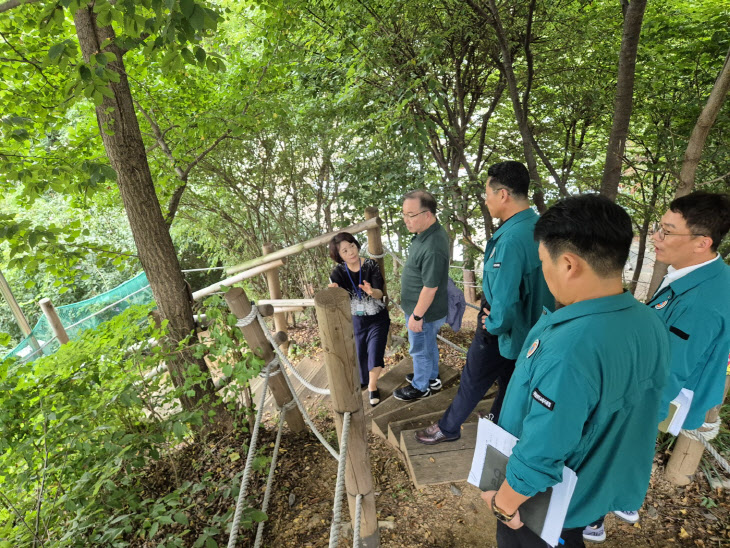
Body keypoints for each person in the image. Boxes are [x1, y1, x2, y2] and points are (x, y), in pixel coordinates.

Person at [483, 195, 670, 548]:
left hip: (545, 503)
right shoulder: (648, 320)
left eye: (543, 263)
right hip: (595, 488)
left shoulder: (571, 346)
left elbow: (545, 445)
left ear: (568, 264)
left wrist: (504, 504)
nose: (544, 272)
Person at [584, 191, 730, 543]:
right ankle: (622, 501)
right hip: (656, 387)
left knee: (615, 447)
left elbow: (670, 369)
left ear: (701, 242)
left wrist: (628, 410)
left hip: (659, 394)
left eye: (667, 231)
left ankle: (593, 515)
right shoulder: (695, 276)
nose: (656, 237)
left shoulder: (702, 301)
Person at [415, 161, 553, 445]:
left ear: (503, 194)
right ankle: (498, 428)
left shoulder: (512, 239)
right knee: (509, 383)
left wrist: (491, 324)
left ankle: (449, 427)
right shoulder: (539, 227)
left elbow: (504, 301)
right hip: (532, 331)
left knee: (473, 379)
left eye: (488, 194)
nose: (486, 200)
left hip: (501, 330)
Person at [393, 190, 450, 402]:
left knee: (419, 349)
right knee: (427, 345)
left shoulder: (433, 245)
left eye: (411, 215)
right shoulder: (425, 234)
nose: (406, 220)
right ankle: (431, 377)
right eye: (404, 214)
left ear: (427, 214)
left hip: (424, 312)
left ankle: (421, 386)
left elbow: (430, 287)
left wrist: (417, 317)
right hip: (422, 309)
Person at [328, 232, 390, 406]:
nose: (351, 253)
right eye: (345, 251)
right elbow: (336, 296)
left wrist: (372, 292)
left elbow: (379, 293)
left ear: (356, 244)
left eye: (352, 246)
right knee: (360, 354)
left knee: (375, 352)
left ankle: (372, 387)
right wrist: (333, 291)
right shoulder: (338, 272)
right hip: (356, 320)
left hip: (378, 318)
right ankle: (365, 380)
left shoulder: (371, 266)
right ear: (339, 255)